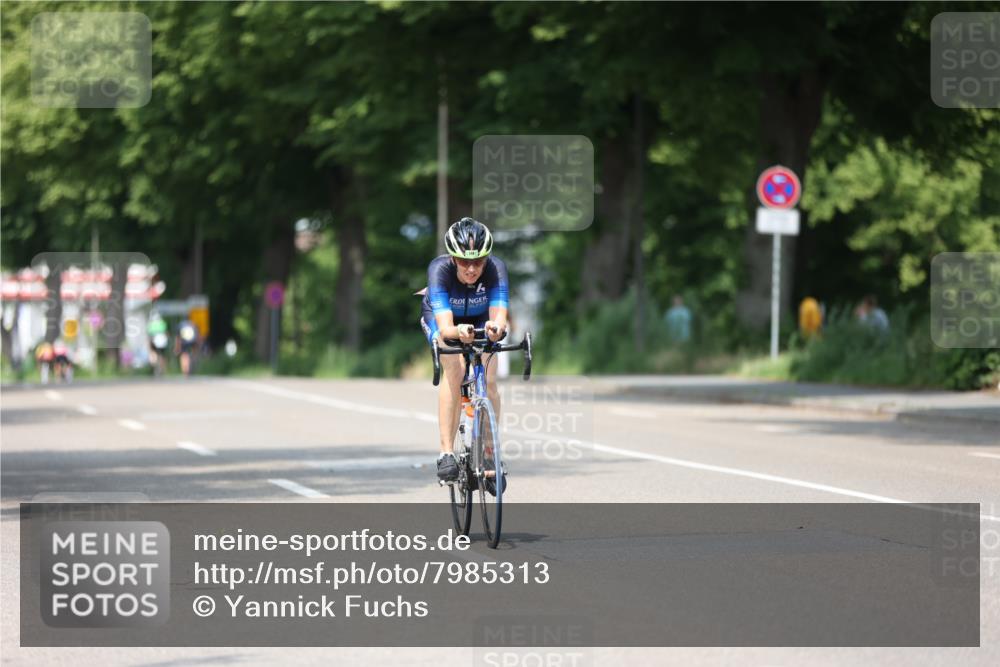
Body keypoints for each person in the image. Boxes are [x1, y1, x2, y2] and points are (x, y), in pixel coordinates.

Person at [419, 217, 509, 493]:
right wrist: (458, 331)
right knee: (455, 371)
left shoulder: (496, 269)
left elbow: (500, 319)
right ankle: (446, 452)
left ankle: (490, 451)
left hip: (480, 317)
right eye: (464, 261)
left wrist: (495, 330)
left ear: (486, 258)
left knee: (490, 379)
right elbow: (446, 329)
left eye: (478, 262)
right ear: (453, 258)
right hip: (443, 318)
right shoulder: (439, 269)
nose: (471, 269)